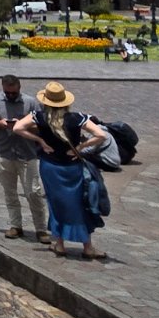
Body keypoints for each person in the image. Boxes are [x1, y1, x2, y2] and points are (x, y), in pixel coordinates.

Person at [11, 82, 111, 260]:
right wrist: (80, 146)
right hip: (72, 167)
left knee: (56, 205)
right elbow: (102, 135)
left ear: (46, 102)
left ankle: (60, 244)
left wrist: (40, 141)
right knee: (80, 204)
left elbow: (17, 128)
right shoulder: (77, 118)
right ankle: (87, 246)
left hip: (50, 167)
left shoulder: (39, 116)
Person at [0, 75, 50, 244]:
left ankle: (41, 229)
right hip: (4, 152)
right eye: (7, 93)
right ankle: (15, 225)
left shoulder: (31, 103)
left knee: (33, 192)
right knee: (10, 192)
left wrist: (21, 125)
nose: (11, 95)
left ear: (19, 87)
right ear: (3, 88)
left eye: (14, 92)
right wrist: (1, 124)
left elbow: (42, 125)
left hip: (27, 154)